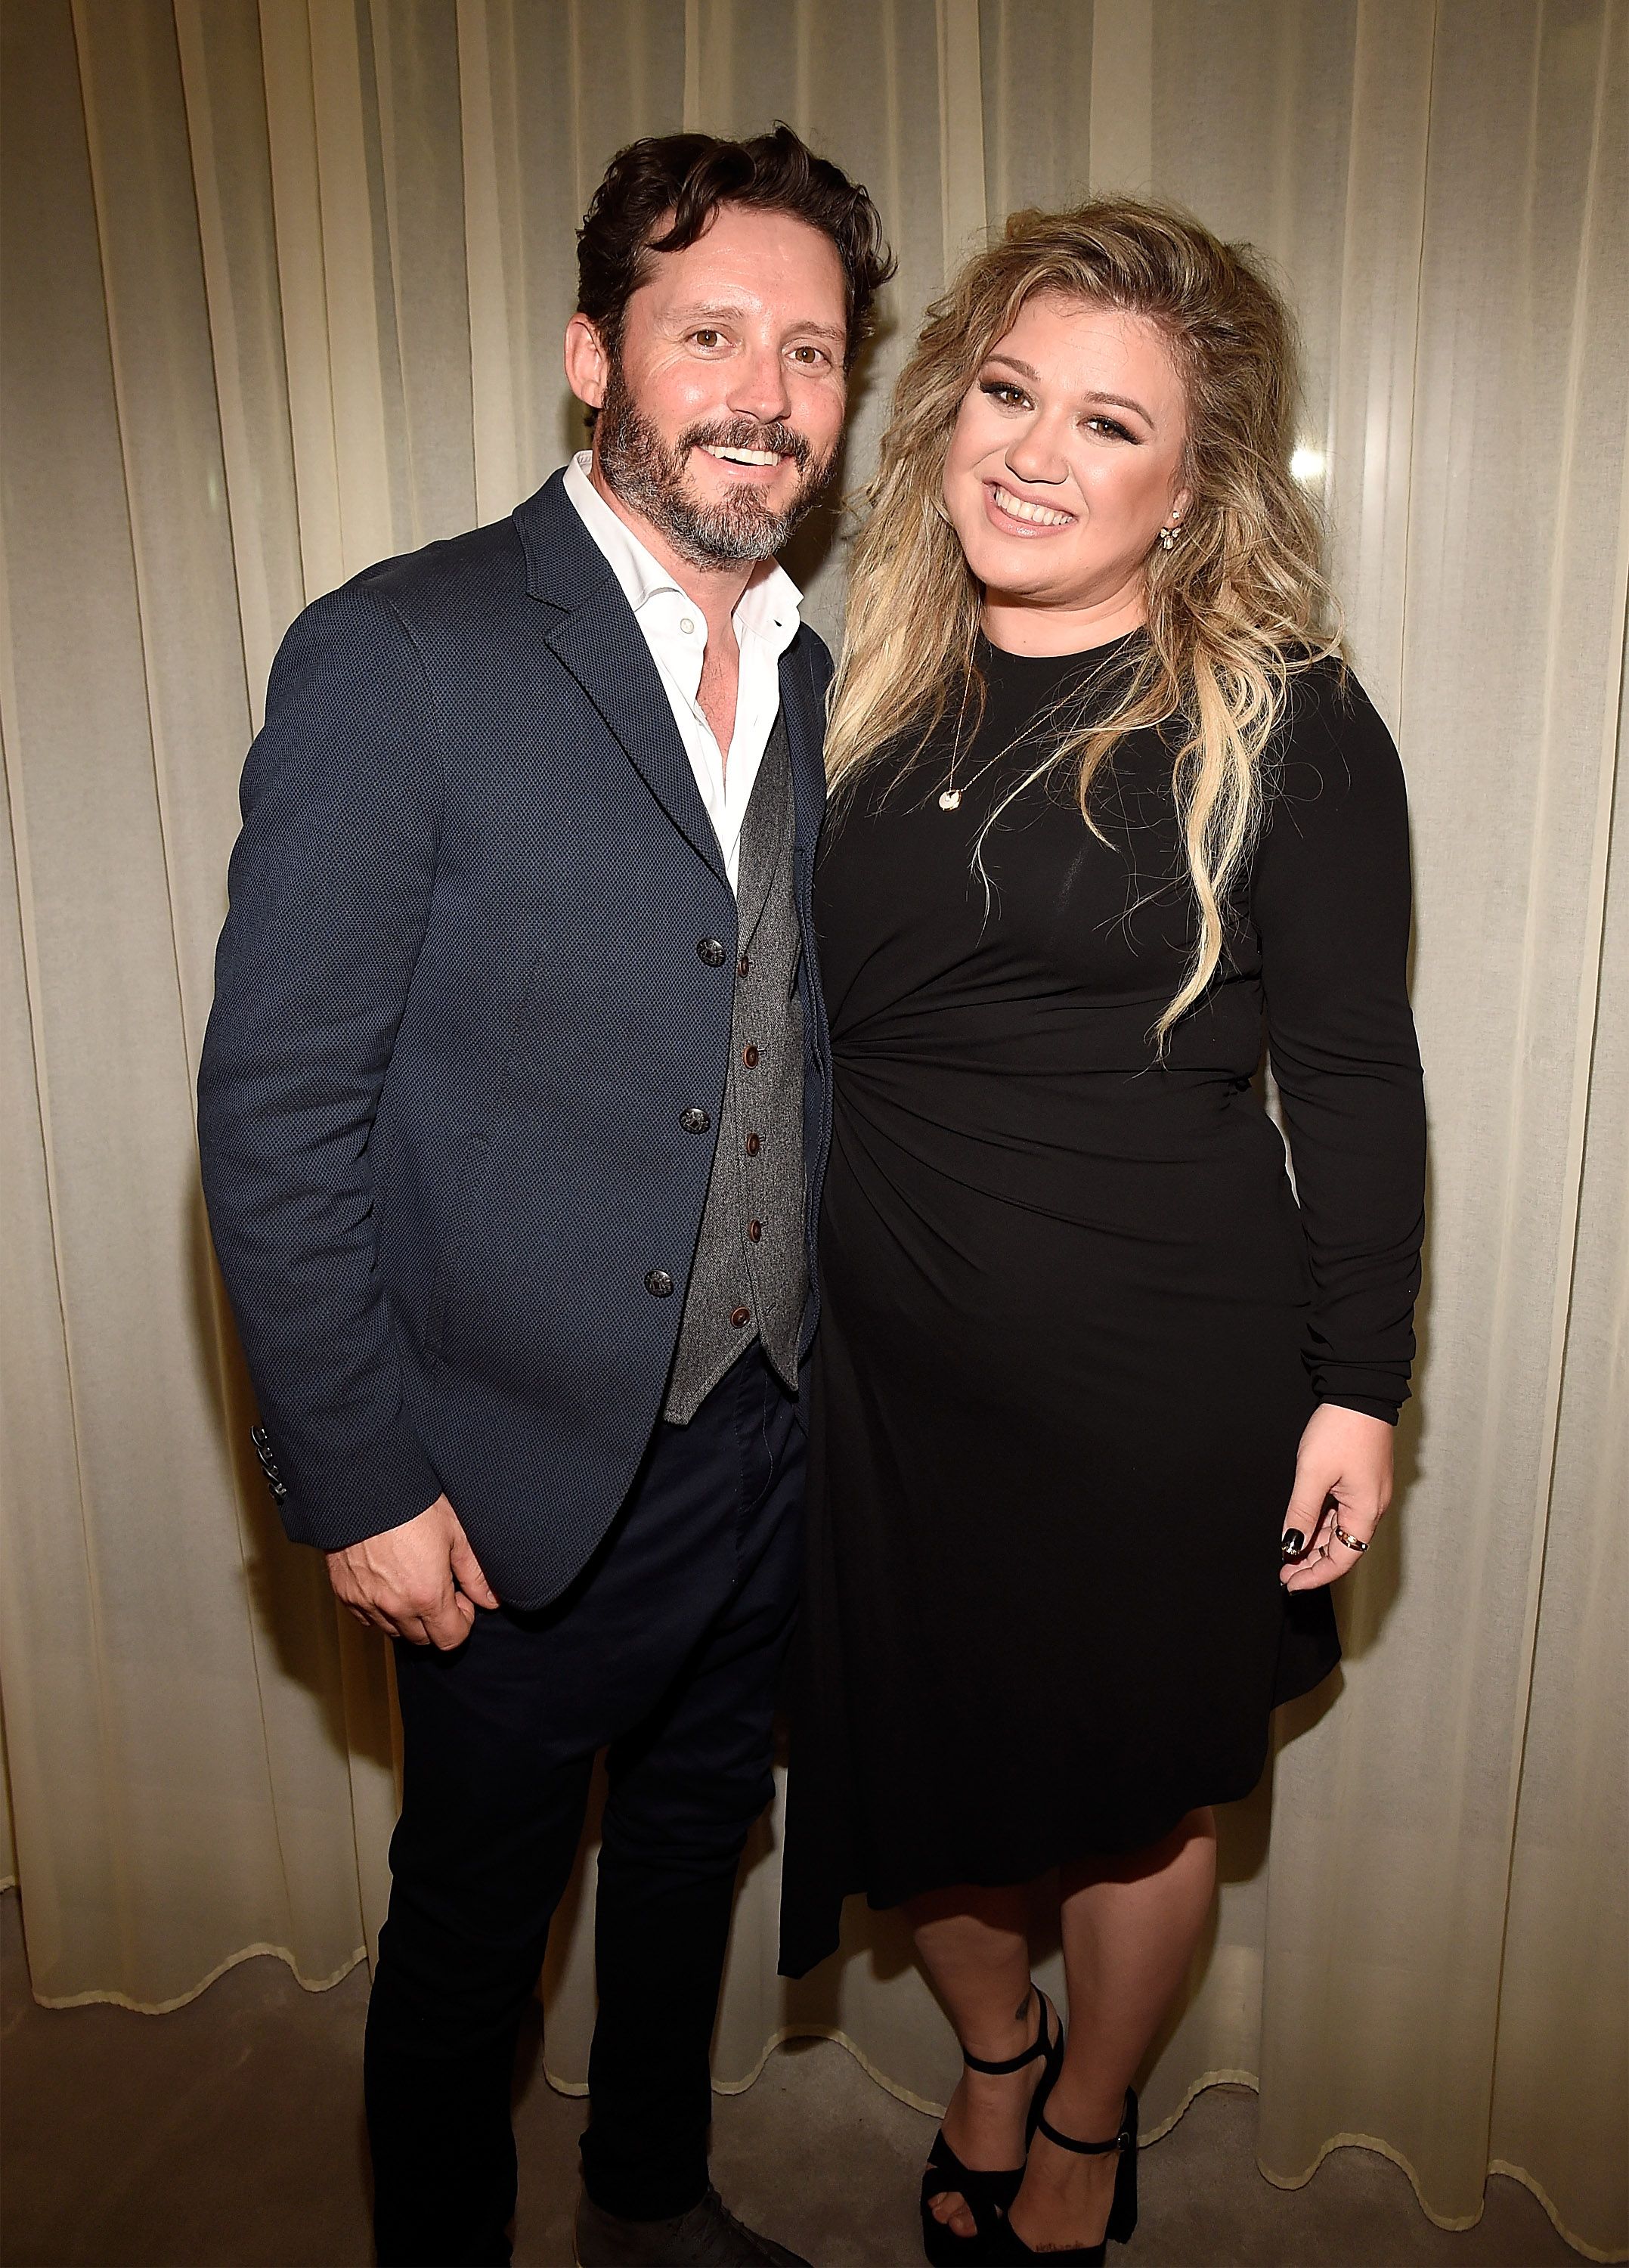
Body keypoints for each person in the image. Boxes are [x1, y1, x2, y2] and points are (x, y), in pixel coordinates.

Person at [197, 125, 892, 2268]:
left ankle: (649, 2197)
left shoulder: (822, 671)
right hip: (498, 1470)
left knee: (699, 1840)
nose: (761, 394)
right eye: (709, 336)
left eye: (810, 348)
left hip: (763, 1432)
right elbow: (274, 1109)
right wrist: (358, 1477)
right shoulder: (397, 652)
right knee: (476, 1924)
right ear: (595, 355)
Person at [779, 200, 1426, 2267]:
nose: (1032, 450)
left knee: (1132, 1794)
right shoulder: (850, 689)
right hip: (875, 1381)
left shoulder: (1287, 722)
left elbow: (1347, 1082)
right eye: (1003, 390)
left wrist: (1357, 1391)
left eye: (1106, 419)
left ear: (1193, 483)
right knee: (926, 1783)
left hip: (1158, 1382)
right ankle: (989, 2049)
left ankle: (1077, 2111)